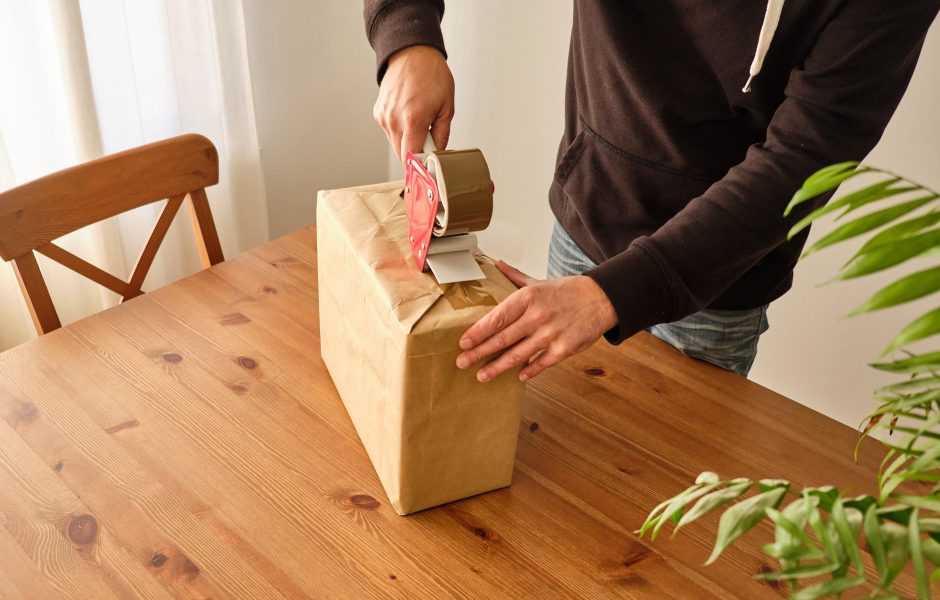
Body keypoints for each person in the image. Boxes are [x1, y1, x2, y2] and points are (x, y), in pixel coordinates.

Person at [363, 0, 939, 382]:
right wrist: (407, 36)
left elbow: (805, 159)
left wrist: (609, 295)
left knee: (661, 517)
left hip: (711, 286)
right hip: (585, 214)